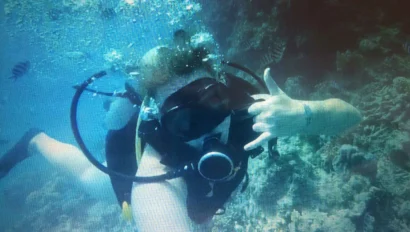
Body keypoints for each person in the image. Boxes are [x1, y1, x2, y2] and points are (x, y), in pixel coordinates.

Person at [0, 30, 362, 231]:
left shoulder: (254, 111)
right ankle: (34, 139)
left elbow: (352, 117)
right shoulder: (155, 166)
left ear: (224, 88)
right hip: (130, 166)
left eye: (213, 106)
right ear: (161, 118)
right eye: (186, 121)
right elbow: (159, 215)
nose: (207, 130)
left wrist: (304, 114)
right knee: (88, 177)